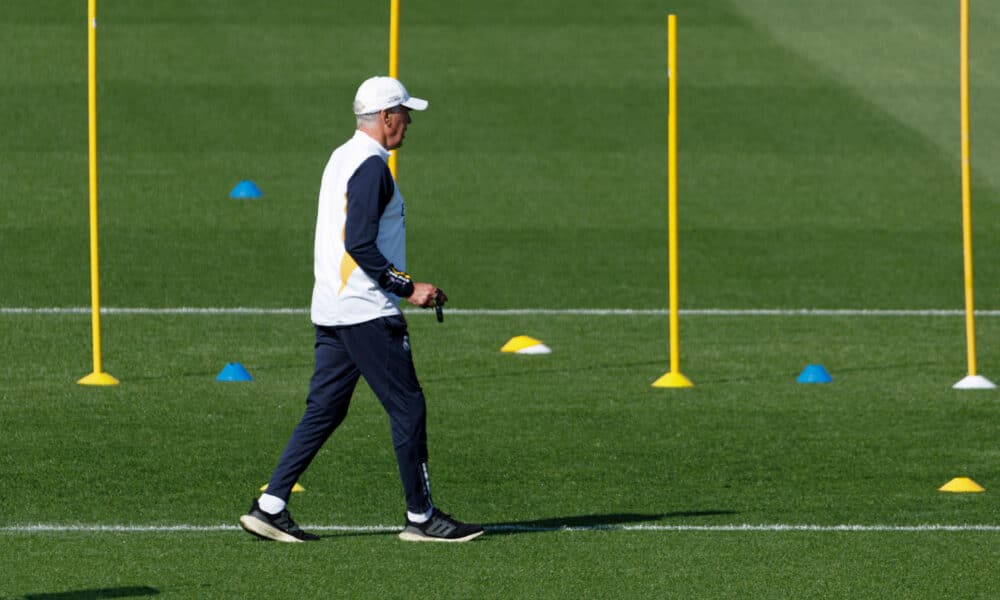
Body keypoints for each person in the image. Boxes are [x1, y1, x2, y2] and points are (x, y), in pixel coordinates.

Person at [239, 76, 484, 543]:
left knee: (325, 410)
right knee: (408, 408)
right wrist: (408, 288)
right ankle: (421, 518)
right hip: (365, 309)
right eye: (405, 114)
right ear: (387, 118)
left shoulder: (341, 157)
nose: (409, 123)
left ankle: (270, 506)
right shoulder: (372, 167)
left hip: (332, 305)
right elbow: (359, 243)